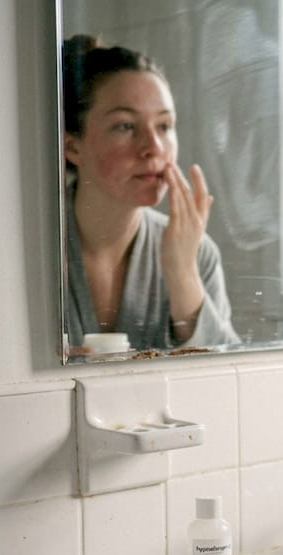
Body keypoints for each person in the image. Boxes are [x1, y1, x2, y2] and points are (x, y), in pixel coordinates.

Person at [62, 35, 240, 352]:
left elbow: (228, 387)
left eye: (164, 125)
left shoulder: (198, 254)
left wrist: (183, 272)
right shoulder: (24, 253)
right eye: (125, 126)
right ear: (72, 146)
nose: (154, 148)